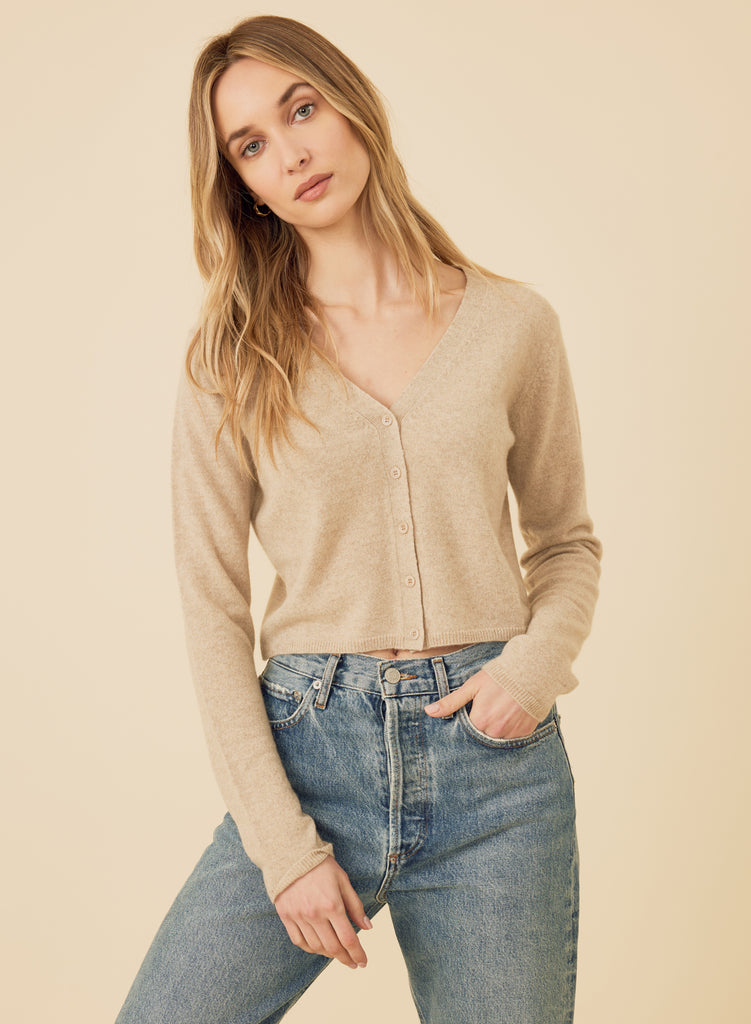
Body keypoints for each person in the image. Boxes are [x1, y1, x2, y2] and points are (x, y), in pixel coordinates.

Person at [115, 13, 602, 1024]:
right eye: (251, 145)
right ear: (242, 184)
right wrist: (282, 847)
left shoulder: (513, 325)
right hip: (308, 752)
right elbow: (212, 609)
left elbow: (565, 544)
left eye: (301, 110)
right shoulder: (229, 358)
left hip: (496, 775)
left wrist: (529, 671)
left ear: (350, 106)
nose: (289, 153)